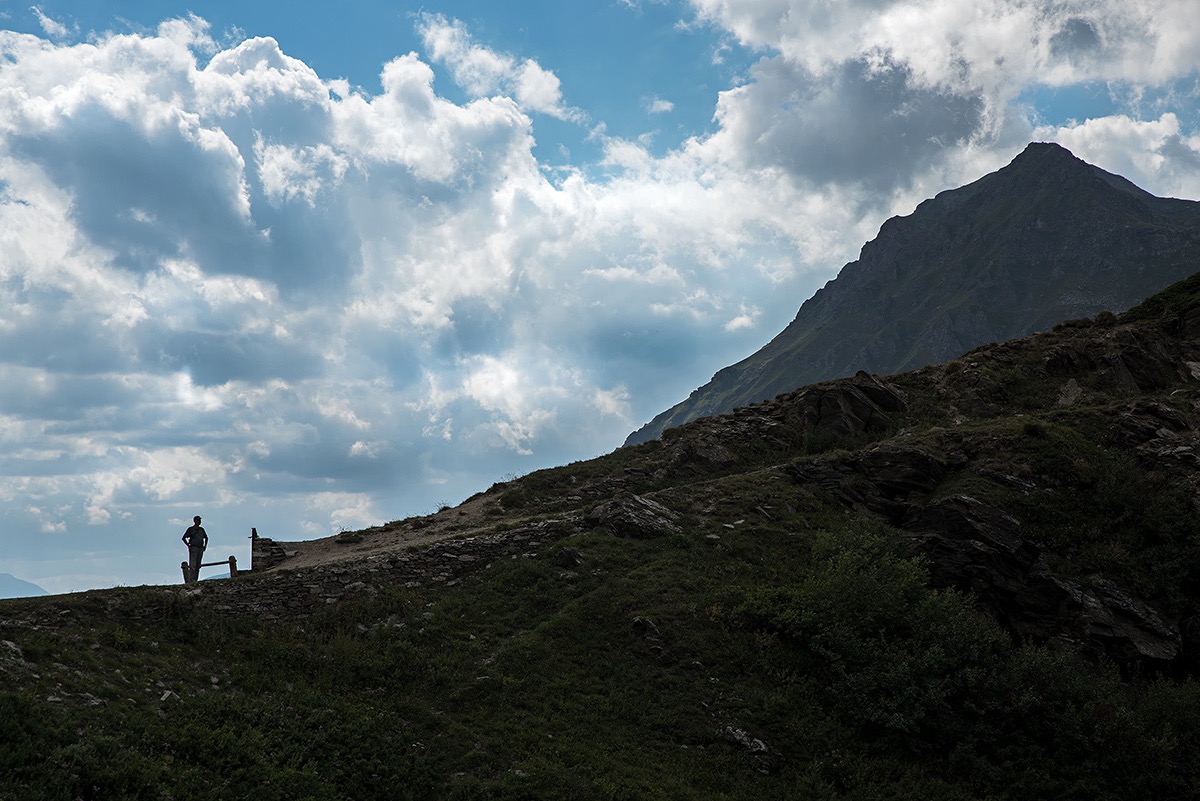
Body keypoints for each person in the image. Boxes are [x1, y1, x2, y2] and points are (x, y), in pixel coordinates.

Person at [182, 515, 208, 582]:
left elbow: (206, 538)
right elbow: (183, 538)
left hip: (200, 548)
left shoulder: (201, 529)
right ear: (195, 521)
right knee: (193, 565)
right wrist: (188, 545)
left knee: (198, 565)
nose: (199, 522)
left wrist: (204, 546)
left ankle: (195, 579)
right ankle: (191, 579)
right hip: (194, 548)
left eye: (200, 520)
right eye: (198, 520)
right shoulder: (190, 529)